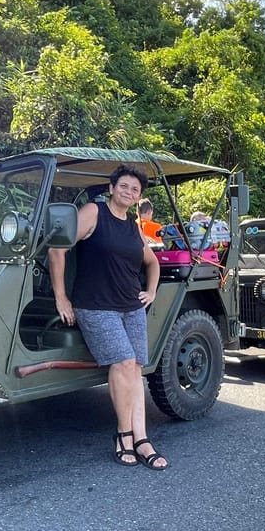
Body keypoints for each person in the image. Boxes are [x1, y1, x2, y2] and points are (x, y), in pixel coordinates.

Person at [48, 164, 168, 470]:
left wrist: (151, 292)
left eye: (135, 190)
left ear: (139, 197)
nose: (129, 192)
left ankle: (142, 439)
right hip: (96, 305)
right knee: (124, 363)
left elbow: (152, 262)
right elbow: (57, 249)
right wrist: (61, 296)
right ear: (112, 187)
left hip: (131, 306)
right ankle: (123, 434)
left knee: (136, 369)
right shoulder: (94, 212)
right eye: (124, 186)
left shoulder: (133, 225)